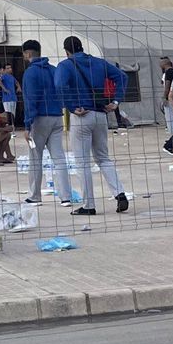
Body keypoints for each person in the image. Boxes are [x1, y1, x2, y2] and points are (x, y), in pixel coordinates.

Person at [55, 36, 130, 216]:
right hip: (101, 113)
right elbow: (122, 76)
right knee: (103, 157)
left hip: (81, 115)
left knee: (82, 162)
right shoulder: (98, 62)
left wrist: (71, 105)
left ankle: (89, 205)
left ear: (66, 51)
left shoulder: (65, 65)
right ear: (82, 47)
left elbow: (59, 85)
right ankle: (119, 193)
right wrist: (116, 100)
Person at [20, 39, 72, 206]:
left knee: (36, 157)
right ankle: (65, 197)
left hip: (39, 120)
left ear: (28, 54)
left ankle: (34, 196)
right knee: (59, 157)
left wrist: (27, 125)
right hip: (57, 117)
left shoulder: (30, 73)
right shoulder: (54, 70)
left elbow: (30, 100)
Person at [158, 57, 173, 134]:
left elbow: (167, 85)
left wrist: (165, 97)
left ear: (164, 63)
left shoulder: (168, 72)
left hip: (170, 96)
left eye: (161, 63)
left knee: (168, 114)